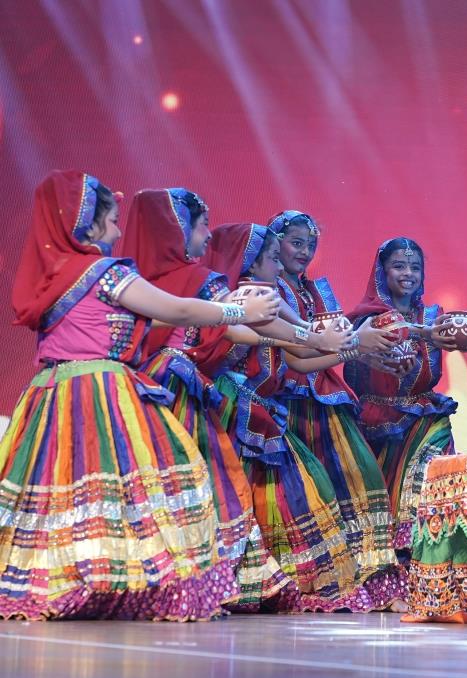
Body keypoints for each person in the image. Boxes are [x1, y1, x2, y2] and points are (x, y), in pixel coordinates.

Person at [0, 171, 279, 620]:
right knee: (141, 487)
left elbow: (164, 313)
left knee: (61, 493)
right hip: (102, 391)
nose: (117, 232)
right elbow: (176, 309)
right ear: (86, 223)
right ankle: (122, 584)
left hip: (50, 394)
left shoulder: (52, 276)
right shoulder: (104, 272)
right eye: (112, 221)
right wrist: (238, 309)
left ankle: (59, 582)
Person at [121, 189, 296, 612]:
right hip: (172, 388)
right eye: (201, 226)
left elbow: (240, 329)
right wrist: (304, 337)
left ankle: (170, 579)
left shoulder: (140, 279)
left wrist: (307, 338)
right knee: (201, 482)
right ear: (177, 229)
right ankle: (189, 580)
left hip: (151, 387)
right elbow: (225, 325)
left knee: (168, 484)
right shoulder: (182, 281)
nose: (208, 235)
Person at [199, 222, 368, 611]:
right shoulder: (249, 294)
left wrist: (353, 346)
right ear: (250, 262)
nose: (280, 266)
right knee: (250, 495)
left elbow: (300, 354)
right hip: (232, 406)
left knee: (283, 492)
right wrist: (337, 340)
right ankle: (240, 582)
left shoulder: (266, 296)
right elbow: (296, 340)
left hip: (256, 406)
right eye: (274, 258)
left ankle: (256, 582)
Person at [268, 210, 405, 608]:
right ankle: (313, 583)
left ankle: (373, 584)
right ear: (274, 243)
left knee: (361, 479)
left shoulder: (314, 290)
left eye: (310, 245)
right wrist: (357, 345)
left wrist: (373, 355)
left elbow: (337, 344)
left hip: (327, 396)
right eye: (296, 243)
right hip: (289, 403)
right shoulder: (268, 292)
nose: (304, 252)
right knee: (310, 496)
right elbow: (298, 355)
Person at [345, 238, 459, 551]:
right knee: (380, 507)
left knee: (423, 489)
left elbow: (466, 341)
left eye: (415, 267)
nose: (408, 273)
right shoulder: (365, 320)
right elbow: (356, 368)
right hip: (376, 421)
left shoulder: (434, 316)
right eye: (399, 266)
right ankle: (391, 568)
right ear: (382, 272)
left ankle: (421, 560)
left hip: (425, 417)